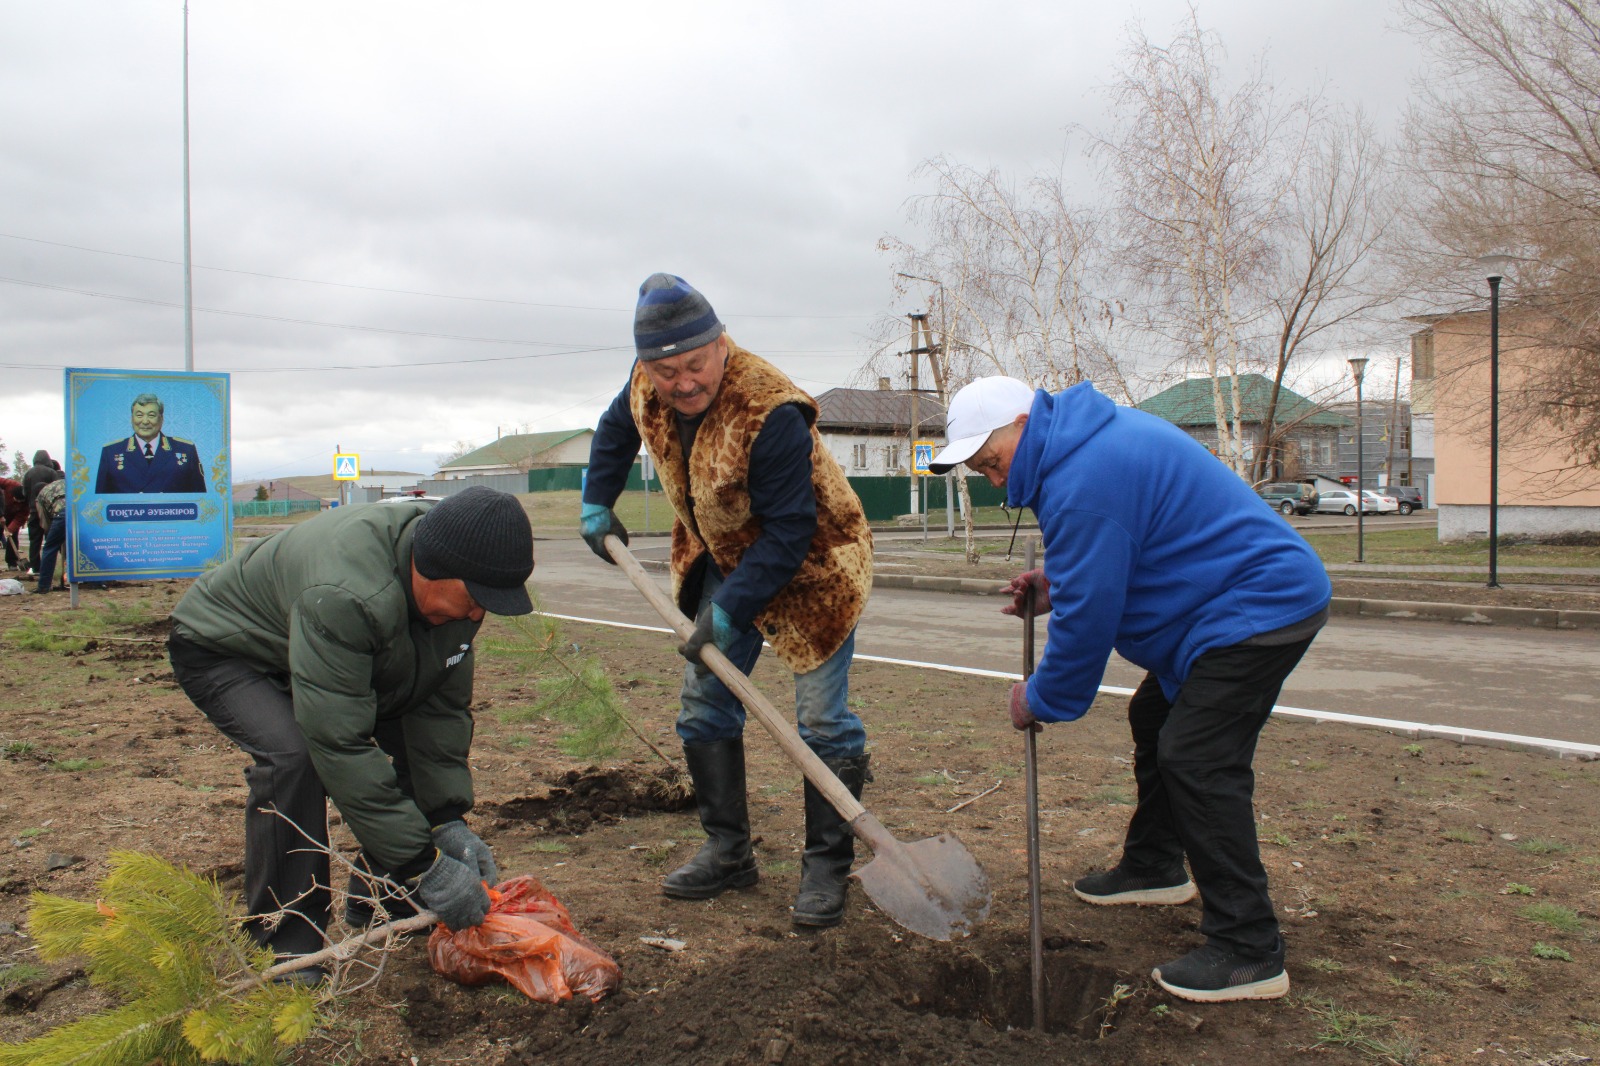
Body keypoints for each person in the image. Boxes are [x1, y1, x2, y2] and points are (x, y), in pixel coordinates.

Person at [929, 376, 1331, 1004]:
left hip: (1260, 606)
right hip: (1219, 609)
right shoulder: (1081, 450)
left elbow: (1089, 619)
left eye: (990, 459)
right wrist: (1055, 583)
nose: (992, 478)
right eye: (980, 469)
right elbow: (1119, 553)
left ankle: (1250, 950)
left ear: (1020, 422)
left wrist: (1041, 697)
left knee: (1198, 757)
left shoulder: (1085, 474)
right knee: (1155, 719)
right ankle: (1154, 866)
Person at [580, 273, 874, 929]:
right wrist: (598, 497)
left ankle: (827, 865)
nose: (682, 381)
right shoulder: (645, 381)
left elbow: (791, 531)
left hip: (814, 561)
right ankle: (728, 851)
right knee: (705, 701)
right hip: (725, 550)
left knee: (823, 719)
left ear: (720, 344)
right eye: (664, 369)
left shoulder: (770, 410)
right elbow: (613, 429)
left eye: (695, 364)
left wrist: (726, 609)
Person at [167, 487, 534, 976]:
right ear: (433, 568)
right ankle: (285, 941)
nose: (476, 616)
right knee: (294, 757)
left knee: (404, 714)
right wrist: (424, 866)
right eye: (475, 599)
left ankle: (385, 901)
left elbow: (437, 709)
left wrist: (447, 821)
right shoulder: (346, 593)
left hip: (327, 643)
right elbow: (339, 742)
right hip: (230, 647)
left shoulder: (461, 565)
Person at [95, 393, 207, 494]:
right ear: (131, 419)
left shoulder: (185, 450)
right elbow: (101, 501)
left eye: (151, 415)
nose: (145, 421)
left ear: (161, 419)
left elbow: (200, 500)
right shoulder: (111, 452)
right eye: (139, 415)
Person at [22, 450, 61, 576]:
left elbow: (24, 493)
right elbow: (57, 489)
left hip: (34, 510)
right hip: (50, 512)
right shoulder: (51, 472)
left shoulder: (28, 473)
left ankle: (35, 567)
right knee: (53, 540)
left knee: (34, 540)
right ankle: (54, 567)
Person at [31, 478, 69, 592]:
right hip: (81, 511)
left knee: (50, 548)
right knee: (87, 546)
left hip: (61, 513)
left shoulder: (40, 496)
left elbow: (45, 521)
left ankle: (44, 586)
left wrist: (53, 535)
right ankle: (96, 582)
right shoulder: (63, 482)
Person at [2, 479, 25, 571]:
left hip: (12, 517)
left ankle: (12, 562)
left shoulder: (25, 503)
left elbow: (21, 517)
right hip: (1, 510)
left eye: (21, 501)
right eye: (17, 500)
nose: (19, 502)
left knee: (13, 537)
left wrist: (10, 530)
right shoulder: (10, 484)